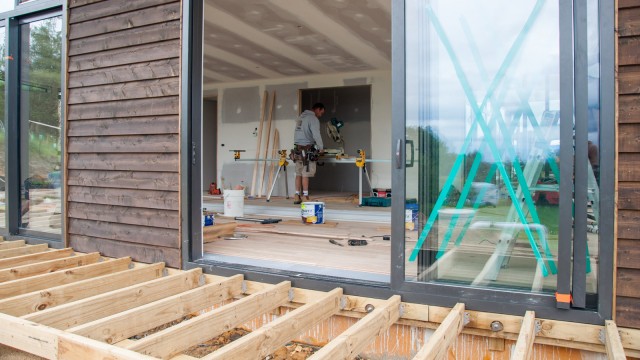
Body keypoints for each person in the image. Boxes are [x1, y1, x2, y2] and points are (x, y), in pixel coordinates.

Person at [292, 103, 325, 204]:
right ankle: (305, 196)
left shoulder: (300, 117)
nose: (321, 115)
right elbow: (316, 134)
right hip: (307, 150)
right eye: (321, 112)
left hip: (297, 150)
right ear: (318, 109)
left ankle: (297, 196)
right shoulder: (313, 119)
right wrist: (321, 148)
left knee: (298, 173)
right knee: (305, 174)